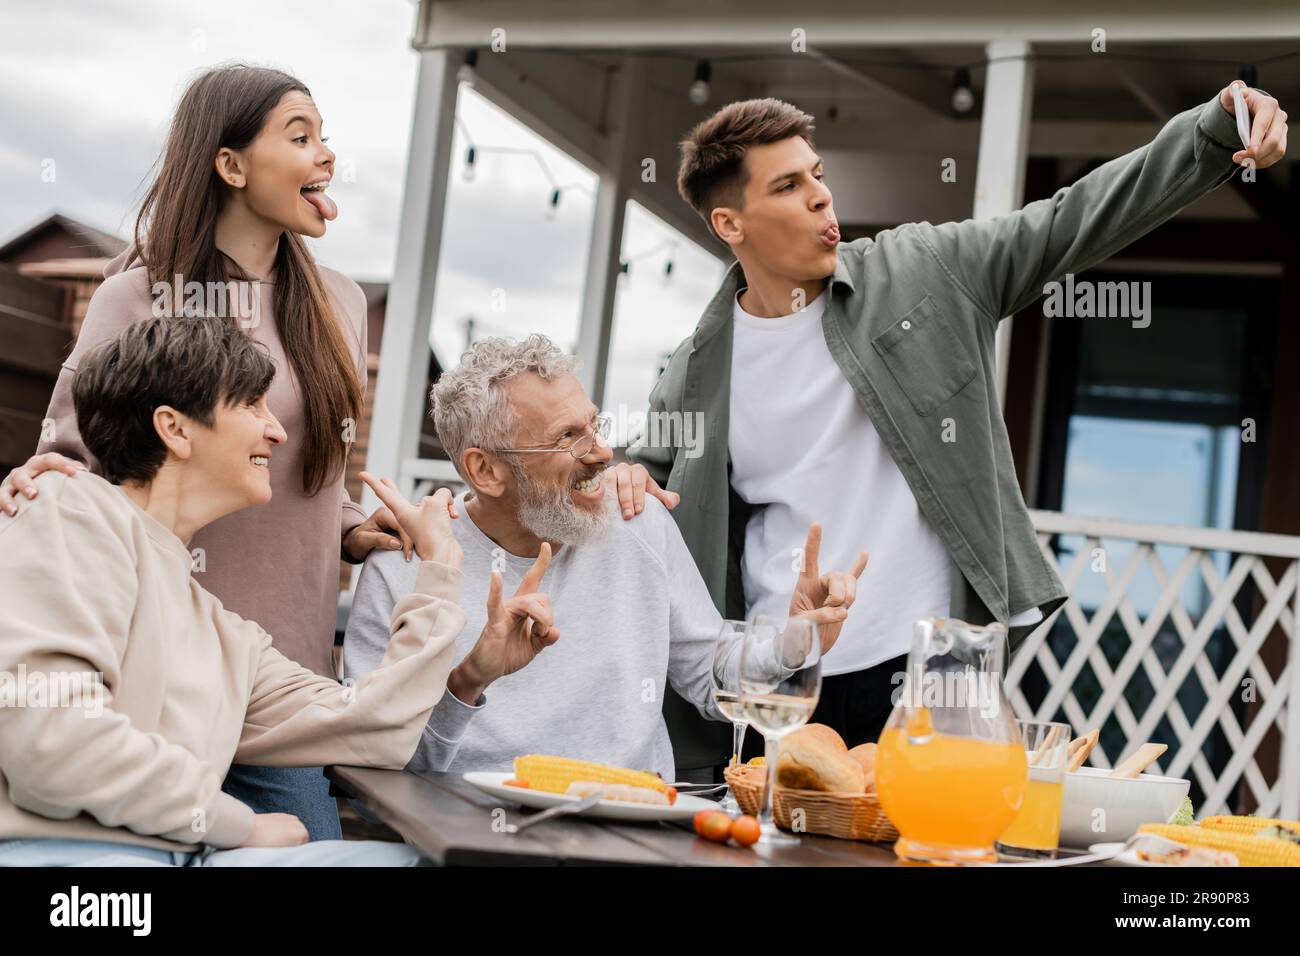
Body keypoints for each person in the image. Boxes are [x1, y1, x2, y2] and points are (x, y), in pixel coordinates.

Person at [609, 83, 1288, 763]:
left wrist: (1212, 134)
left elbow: (1071, 218)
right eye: (788, 186)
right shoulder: (697, 370)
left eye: (818, 174)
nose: (821, 196)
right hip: (786, 682)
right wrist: (624, 472)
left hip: (934, 674)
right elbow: (646, 484)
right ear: (731, 225)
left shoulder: (925, 271)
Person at [0, 64, 409, 839]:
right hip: (146, 672)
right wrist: (35, 477)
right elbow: (73, 457)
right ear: (230, 165)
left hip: (279, 679)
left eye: (326, 137)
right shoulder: (134, 294)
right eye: (301, 136)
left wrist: (355, 529)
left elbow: (323, 474)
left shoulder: (343, 305)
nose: (326, 156)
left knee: (304, 848)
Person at [0, 315, 488, 867]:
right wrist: (238, 824)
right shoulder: (68, 512)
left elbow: (378, 725)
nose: (277, 432)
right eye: (252, 406)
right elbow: (55, 744)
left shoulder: (223, 634)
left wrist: (442, 570)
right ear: (175, 428)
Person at [343, 334, 867, 779]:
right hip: (473, 843)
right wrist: (467, 682)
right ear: (485, 471)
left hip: (639, 832)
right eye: (567, 437)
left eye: (594, 425)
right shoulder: (405, 563)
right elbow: (378, 762)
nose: (602, 453)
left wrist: (793, 643)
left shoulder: (638, 522)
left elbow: (710, 675)